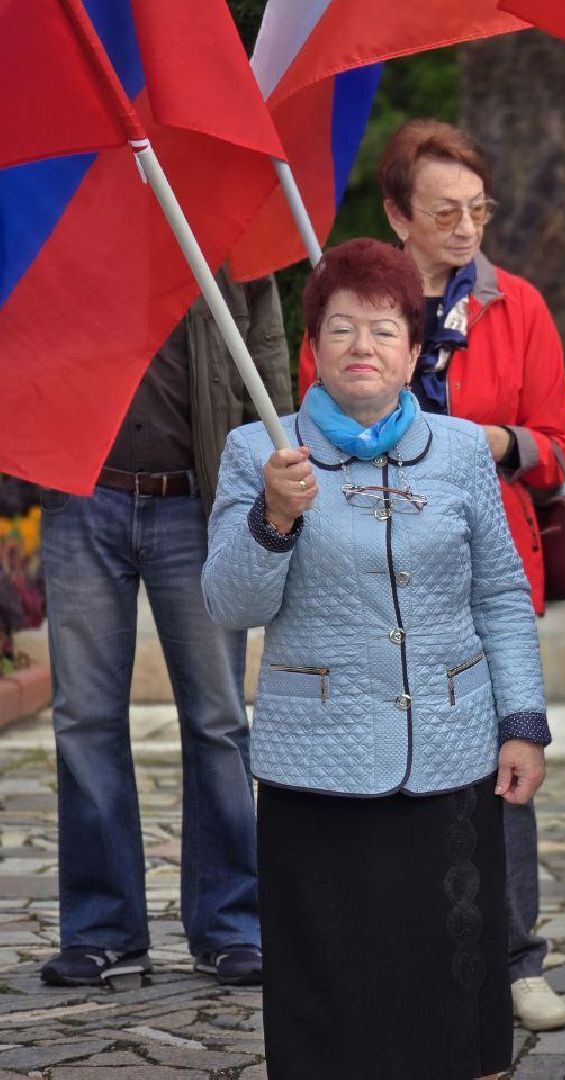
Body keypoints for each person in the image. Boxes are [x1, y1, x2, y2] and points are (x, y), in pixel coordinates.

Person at [203, 237, 549, 1080]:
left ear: (416, 351)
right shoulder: (260, 454)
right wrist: (273, 522)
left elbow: (500, 595)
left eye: (386, 329)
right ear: (312, 346)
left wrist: (522, 722)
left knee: (447, 968)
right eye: (343, 328)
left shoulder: (464, 450)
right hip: (318, 766)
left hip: (450, 753)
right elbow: (231, 605)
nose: (364, 347)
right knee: (332, 983)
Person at [297, 118, 565, 1032]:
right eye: (445, 211)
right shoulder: (349, 308)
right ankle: (415, 950)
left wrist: (480, 441)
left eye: (479, 209)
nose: (466, 227)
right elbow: (315, 420)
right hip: (365, 583)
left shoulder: (518, 306)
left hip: (487, 567)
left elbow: (559, 449)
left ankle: (516, 956)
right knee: (398, 770)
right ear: (396, 215)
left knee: (504, 757)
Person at [38, 273, 289, 990]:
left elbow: (266, 363)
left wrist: (277, 473)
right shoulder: (75, 228)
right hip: (82, 498)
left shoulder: (224, 232)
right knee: (84, 720)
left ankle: (232, 924)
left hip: (198, 502)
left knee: (216, 719)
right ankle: (102, 930)